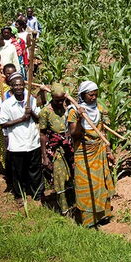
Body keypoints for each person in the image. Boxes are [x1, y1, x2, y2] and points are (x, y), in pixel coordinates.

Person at [67, 81, 115, 228]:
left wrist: (108, 151)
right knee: (86, 183)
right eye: (90, 94)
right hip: (83, 152)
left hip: (99, 150)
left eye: (96, 94)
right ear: (82, 95)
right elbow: (74, 134)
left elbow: (103, 131)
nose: (94, 97)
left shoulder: (99, 108)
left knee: (100, 182)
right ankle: (88, 220)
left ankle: (103, 215)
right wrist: (81, 118)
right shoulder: (74, 111)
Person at [0, 75, 43, 201]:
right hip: (17, 143)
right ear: (12, 87)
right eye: (16, 85)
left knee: (35, 169)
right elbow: (2, 124)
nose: (18, 87)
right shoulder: (7, 104)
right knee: (18, 171)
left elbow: (39, 119)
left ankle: (37, 194)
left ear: (24, 86)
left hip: (33, 141)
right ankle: (19, 195)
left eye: (21, 85)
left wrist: (31, 112)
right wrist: (21, 119)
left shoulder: (31, 100)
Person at [39, 83, 75, 214]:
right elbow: (42, 135)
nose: (60, 103)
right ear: (52, 97)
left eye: (62, 100)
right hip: (56, 149)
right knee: (59, 177)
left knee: (72, 175)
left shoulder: (68, 108)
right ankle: (64, 208)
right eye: (57, 100)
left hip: (69, 147)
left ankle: (74, 202)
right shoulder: (45, 112)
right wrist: (44, 157)